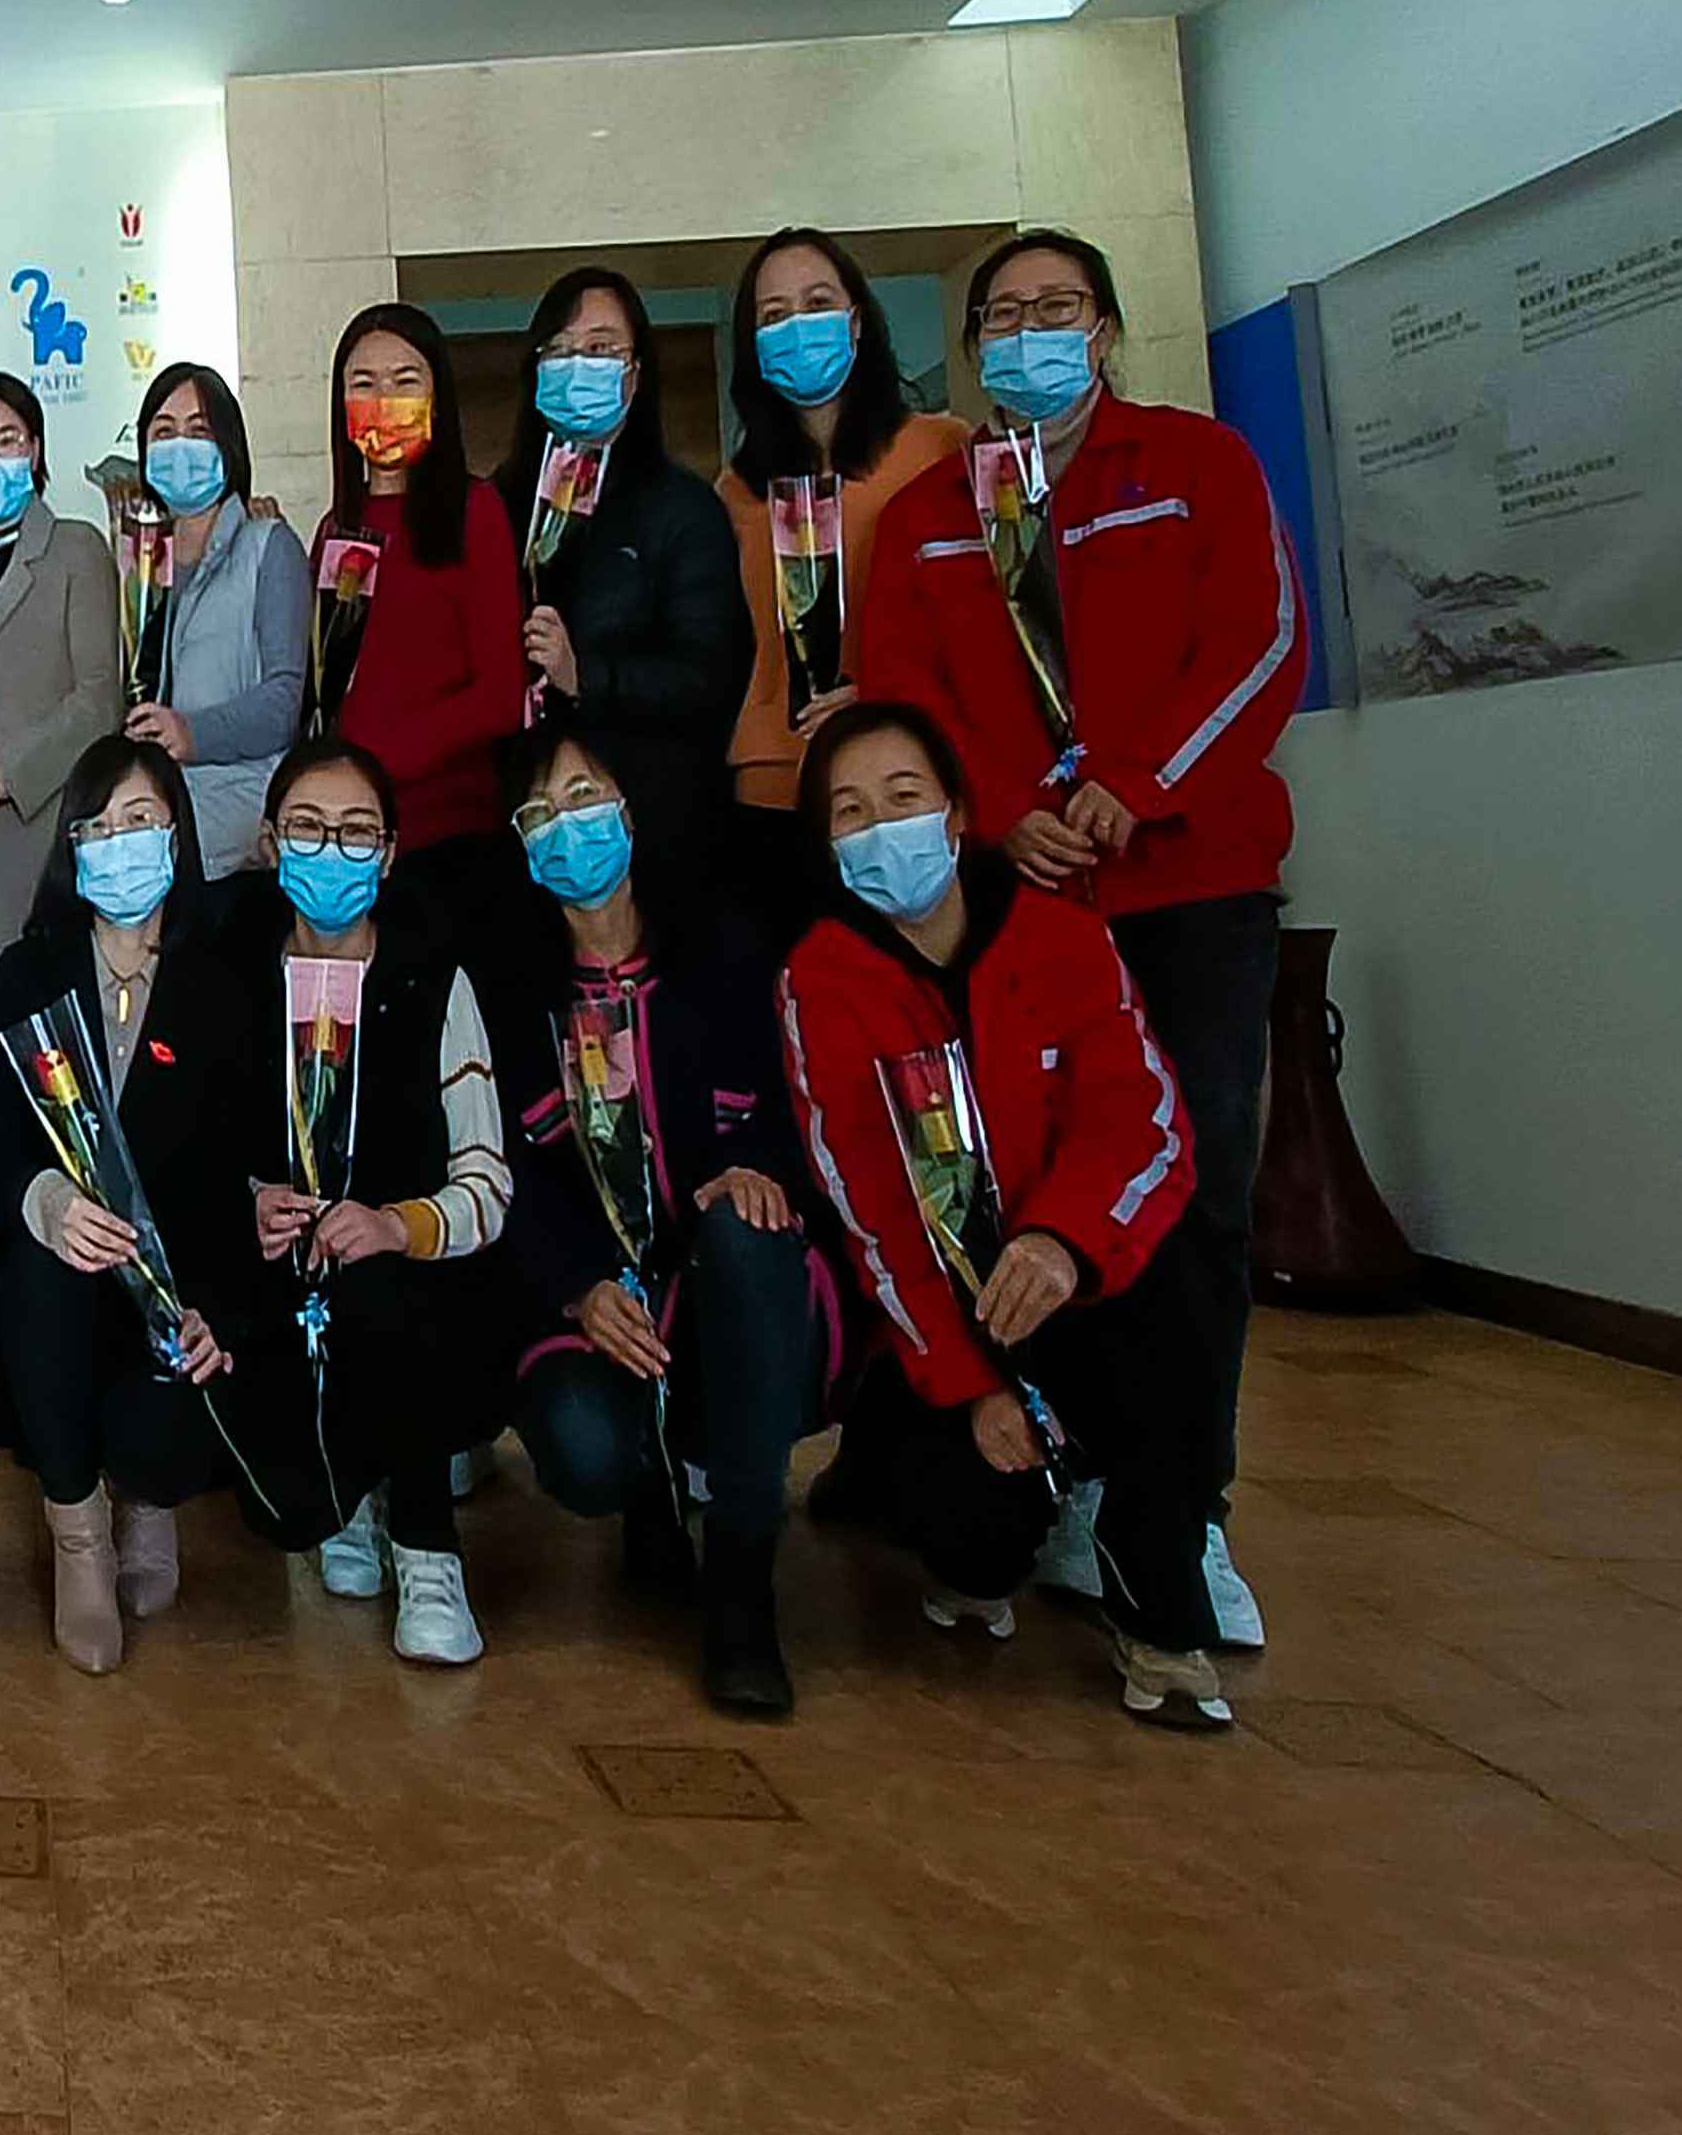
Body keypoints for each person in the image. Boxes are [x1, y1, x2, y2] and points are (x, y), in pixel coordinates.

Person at [862, 228, 1301, 1649]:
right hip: (1020, 905)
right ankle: (1074, 1474)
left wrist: (1140, 782)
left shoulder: (1192, 465)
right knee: (1032, 1199)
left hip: (1187, 886)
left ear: (1104, 329)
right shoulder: (931, 512)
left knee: (1194, 1197)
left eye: (1056, 308)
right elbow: (901, 698)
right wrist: (999, 820)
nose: (1029, 333)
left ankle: (1187, 1507)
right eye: (1001, 315)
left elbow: (1258, 642)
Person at [777, 701, 1231, 1729]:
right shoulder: (820, 980)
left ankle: (1160, 1605)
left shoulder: (1063, 937)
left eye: (903, 798)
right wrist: (974, 1384)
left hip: (1079, 1277)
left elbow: (1144, 1122)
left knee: (1184, 1285)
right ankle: (901, 1469)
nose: (880, 828)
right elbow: (871, 1215)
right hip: (949, 1318)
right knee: (973, 1536)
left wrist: (1064, 1238)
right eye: (850, 811)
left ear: (955, 814)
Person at [488, 729, 824, 1718]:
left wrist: (760, 1168)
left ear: (628, 812)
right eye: (542, 813)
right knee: (585, 1448)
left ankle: (742, 1581)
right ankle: (648, 1488)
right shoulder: (511, 992)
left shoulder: (724, 950)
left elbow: (795, 1098)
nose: (570, 827)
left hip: (721, 1284)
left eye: (585, 797)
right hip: (593, 1297)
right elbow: (506, 1173)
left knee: (749, 1236)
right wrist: (576, 1286)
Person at [177, 737, 522, 1667]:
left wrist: (397, 1224)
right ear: (269, 841)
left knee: (387, 1290)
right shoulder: (228, 973)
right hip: (275, 1286)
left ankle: (426, 1542)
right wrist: (250, 1198)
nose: (331, 850)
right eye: (308, 827)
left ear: (391, 852)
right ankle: (348, 1489)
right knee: (280, 1507)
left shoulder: (434, 978)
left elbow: (488, 1181)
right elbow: (192, 1154)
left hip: (410, 1290)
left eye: (357, 831)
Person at [0, 735, 236, 1673]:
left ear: (176, 834)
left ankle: (149, 1500)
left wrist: (209, 1301)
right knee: (43, 1262)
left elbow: (242, 1171)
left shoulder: (222, 978)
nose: (119, 843)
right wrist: (44, 1198)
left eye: (140, 820)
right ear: (72, 846)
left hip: (174, 1292)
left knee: (170, 1423)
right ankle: (79, 1528)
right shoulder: (30, 970)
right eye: (98, 826)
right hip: (61, 1296)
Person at [715, 230, 970, 944]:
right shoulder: (736, 488)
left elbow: (977, 622)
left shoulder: (942, 448)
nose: (797, 326)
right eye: (773, 314)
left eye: (818, 303)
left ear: (856, 321)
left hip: (902, 783)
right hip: (775, 784)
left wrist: (887, 688)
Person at [501, 267, 752, 913]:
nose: (578, 365)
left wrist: (586, 676)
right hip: (526, 820)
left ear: (635, 375)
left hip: (657, 820)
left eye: (601, 348)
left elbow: (710, 675)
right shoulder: (498, 502)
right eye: (560, 350)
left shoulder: (683, 507)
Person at [320, 304, 525, 916]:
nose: (383, 399)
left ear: (437, 395)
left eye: (404, 380)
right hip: (352, 842)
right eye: (363, 383)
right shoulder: (335, 529)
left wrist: (378, 754)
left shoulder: (476, 511)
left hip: (451, 835)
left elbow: (500, 694)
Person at [0, 369, 122, 986]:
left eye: (7, 440)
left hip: (44, 832)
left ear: (34, 450)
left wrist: (7, 774)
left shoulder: (75, 549)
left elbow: (98, 700)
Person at [118, 361, 307, 872]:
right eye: (164, 432)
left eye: (198, 431)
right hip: (152, 836)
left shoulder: (269, 545)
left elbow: (284, 700)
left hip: (237, 837)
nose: (180, 446)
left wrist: (193, 732)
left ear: (230, 445)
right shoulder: (136, 560)